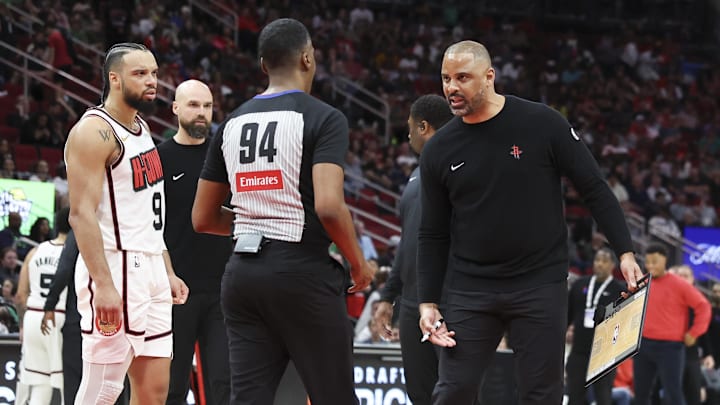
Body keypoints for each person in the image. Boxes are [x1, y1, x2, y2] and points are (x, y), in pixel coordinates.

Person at [415, 40, 644, 404]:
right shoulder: (439, 149)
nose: (451, 88)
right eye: (445, 79)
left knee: (542, 395)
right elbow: (432, 233)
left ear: (489, 77)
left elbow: (595, 188)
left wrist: (625, 251)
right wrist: (427, 301)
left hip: (539, 282)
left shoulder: (542, 123)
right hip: (471, 287)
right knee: (453, 389)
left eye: (462, 77)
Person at [192, 18, 375, 405]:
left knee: (247, 399)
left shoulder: (230, 124)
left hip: (242, 276)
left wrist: (254, 223)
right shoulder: (325, 117)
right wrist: (358, 264)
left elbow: (203, 218)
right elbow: (328, 206)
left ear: (263, 66)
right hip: (301, 273)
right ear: (308, 59)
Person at [64, 42, 188, 405]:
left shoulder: (141, 127)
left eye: (153, 73)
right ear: (114, 79)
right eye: (140, 74)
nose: (152, 81)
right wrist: (102, 283)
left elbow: (147, 211)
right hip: (115, 267)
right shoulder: (93, 132)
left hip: (150, 265)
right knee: (104, 388)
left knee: (153, 391)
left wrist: (165, 269)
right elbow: (80, 214)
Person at [372, 94, 453, 405]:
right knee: (420, 395)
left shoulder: (461, 169)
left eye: (409, 128)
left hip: (449, 301)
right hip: (410, 304)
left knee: (457, 394)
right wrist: (387, 296)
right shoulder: (416, 175)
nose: (406, 135)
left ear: (423, 127)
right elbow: (407, 245)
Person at [157, 79, 231, 405]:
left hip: (223, 291)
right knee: (172, 387)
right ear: (175, 108)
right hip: (176, 290)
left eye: (207, 106)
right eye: (193, 105)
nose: (201, 113)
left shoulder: (227, 155)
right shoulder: (158, 158)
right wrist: (169, 274)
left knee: (224, 385)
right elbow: (150, 227)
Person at [634, 243, 711, 405]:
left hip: (670, 347)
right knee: (640, 395)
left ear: (664, 261)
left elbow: (703, 306)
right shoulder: (643, 283)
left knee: (673, 394)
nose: (650, 265)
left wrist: (694, 332)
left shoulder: (679, 284)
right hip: (643, 344)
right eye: (647, 261)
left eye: (654, 261)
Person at [15, 206, 70, 404]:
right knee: (67, 382)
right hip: (59, 317)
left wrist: (22, 325)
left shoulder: (34, 252)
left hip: (32, 318)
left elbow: (20, 296)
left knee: (40, 382)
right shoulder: (73, 254)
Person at [565, 247, 625, 405]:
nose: (600, 264)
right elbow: (568, 315)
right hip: (579, 351)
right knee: (574, 397)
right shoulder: (580, 284)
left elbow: (623, 322)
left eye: (604, 261)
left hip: (604, 355)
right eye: (597, 260)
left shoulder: (619, 289)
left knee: (603, 398)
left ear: (613, 265)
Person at [670, 264, 715, 405]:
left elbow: (704, 331)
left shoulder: (699, 302)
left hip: (691, 356)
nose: (682, 279)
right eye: (679, 276)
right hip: (669, 355)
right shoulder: (668, 299)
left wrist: (708, 353)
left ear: (692, 280)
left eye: (686, 276)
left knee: (694, 396)